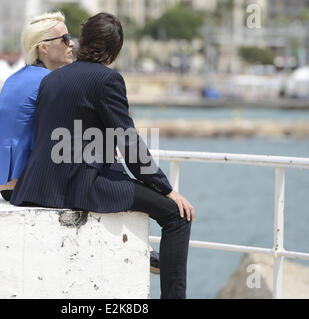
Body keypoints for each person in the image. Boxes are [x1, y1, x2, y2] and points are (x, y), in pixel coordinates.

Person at [10, 13, 195, 298]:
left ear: (83, 41)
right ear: (114, 49)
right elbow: (129, 143)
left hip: (39, 185)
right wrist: (166, 189)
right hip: (79, 186)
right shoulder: (107, 80)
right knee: (177, 217)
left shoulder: (51, 80)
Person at [0, 11, 74, 200]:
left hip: (7, 185)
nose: (71, 43)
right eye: (64, 38)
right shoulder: (50, 81)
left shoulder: (13, 79)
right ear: (43, 48)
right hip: (31, 187)